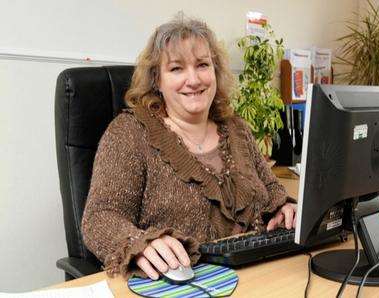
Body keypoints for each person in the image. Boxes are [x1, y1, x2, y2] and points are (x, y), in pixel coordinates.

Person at [81, 15, 297, 280]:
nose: (193, 80)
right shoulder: (129, 134)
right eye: (176, 69)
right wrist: (139, 243)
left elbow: (270, 187)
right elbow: (99, 218)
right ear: (157, 80)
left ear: (215, 73)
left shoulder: (236, 128)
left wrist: (284, 207)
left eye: (202, 65)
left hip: (259, 276)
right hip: (182, 285)